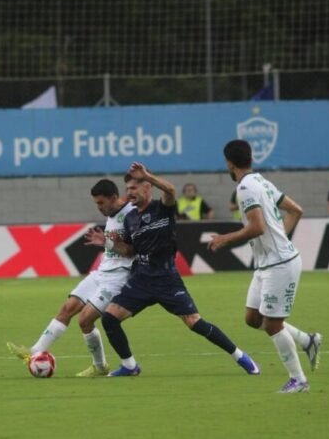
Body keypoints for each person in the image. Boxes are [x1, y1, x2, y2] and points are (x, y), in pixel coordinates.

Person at [95, 162, 259, 377]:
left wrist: (147, 174)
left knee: (194, 322)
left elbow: (171, 190)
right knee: (109, 318)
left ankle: (240, 356)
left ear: (147, 187)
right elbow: (129, 251)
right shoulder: (130, 219)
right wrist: (108, 242)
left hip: (166, 278)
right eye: (127, 189)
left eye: (134, 188)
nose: (129, 193)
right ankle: (129, 366)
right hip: (142, 278)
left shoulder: (162, 207)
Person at [208, 140, 321, 393]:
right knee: (252, 318)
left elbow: (257, 227)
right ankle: (307, 340)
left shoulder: (246, 188)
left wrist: (224, 239)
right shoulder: (262, 182)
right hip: (266, 264)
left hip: (279, 264)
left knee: (272, 325)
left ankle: (299, 380)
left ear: (229, 163)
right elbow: (297, 210)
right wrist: (280, 237)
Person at [7, 179, 136, 376]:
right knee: (67, 309)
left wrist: (107, 243)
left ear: (113, 198)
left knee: (85, 320)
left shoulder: (131, 215)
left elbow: (131, 251)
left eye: (101, 203)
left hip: (118, 277)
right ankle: (33, 352)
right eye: (96, 204)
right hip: (101, 273)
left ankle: (100, 366)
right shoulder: (111, 214)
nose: (99, 208)